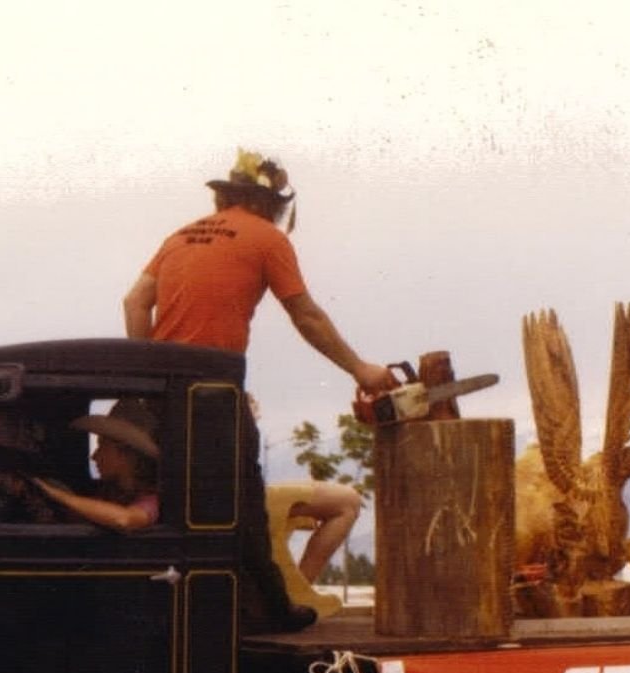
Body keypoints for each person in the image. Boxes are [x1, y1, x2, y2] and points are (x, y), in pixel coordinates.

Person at [122, 148, 394, 607]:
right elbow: (306, 315)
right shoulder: (267, 238)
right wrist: (360, 368)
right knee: (242, 500)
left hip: (163, 390)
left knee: (174, 502)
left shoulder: (179, 236)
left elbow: (134, 302)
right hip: (211, 387)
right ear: (273, 204)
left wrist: (149, 372)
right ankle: (270, 607)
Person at [31, 399, 160, 533]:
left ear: (124, 454)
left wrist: (60, 496)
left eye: (102, 447)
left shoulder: (152, 499)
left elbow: (125, 519)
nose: (94, 456)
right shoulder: (111, 491)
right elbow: (88, 518)